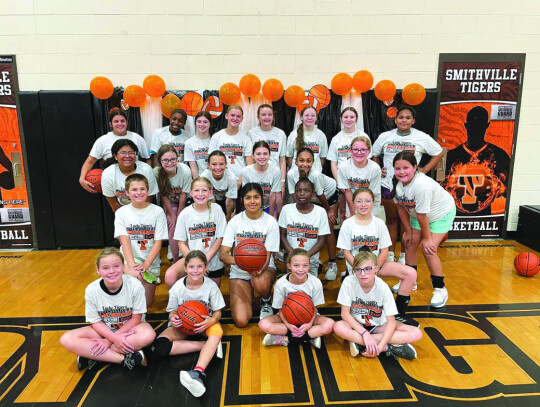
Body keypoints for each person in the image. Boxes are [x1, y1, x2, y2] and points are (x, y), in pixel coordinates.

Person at [59, 247, 156, 370]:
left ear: (123, 267)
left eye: (116, 266)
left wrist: (109, 341)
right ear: (98, 270)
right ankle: (123, 359)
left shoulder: (135, 286)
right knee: (66, 339)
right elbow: (96, 322)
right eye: (105, 268)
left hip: (131, 329)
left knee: (148, 334)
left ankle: (92, 355)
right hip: (104, 330)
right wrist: (113, 337)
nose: (111, 271)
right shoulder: (92, 290)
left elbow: (136, 319)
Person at [336, 187, 419, 326]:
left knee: (411, 273)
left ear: (373, 202)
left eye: (367, 201)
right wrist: (360, 269)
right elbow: (346, 253)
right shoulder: (348, 224)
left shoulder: (379, 223)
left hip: (376, 265)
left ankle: (399, 313)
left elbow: (384, 251)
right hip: (357, 267)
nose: (363, 204)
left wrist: (374, 268)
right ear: (354, 203)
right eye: (359, 201)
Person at [372, 106, 444, 264]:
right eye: (401, 117)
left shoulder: (421, 137)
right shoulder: (385, 136)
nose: (404, 120)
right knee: (391, 219)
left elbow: (439, 151)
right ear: (395, 119)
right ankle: (390, 253)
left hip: (410, 187)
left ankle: (405, 254)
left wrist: (425, 169)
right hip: (388, 185)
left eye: (407, 117)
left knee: (407, 222)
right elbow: (374, 153)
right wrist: (378, 168)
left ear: (413, 121)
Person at [152, 250, 225, 398]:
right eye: (191, 267)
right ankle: (206, 347)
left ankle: (198, 372)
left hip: (204, 325)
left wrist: (211, 320)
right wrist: (173, 318)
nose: (195, 271)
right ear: (185, 268)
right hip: (183, 326)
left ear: (206, 268)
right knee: (159, 347)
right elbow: (172, 311)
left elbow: (218, 312)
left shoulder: (211, 286)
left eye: (199, 266)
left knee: (217, 331)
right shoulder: (177, 287)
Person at [393, 152, 456, 308]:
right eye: (397, 168)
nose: (401, 172)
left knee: (428, 249)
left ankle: (440, 289)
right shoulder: (398, 183)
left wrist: (427, 239)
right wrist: (407, 231)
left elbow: (422, 216)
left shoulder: (421, 186)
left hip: (441, 214)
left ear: (415, 167)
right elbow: (400, 208)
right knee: (409, 242)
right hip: (418, 213)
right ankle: (410, 280)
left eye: (406, 168)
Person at [333, 251, 422, 359]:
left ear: (376, 269)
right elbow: (345, 314)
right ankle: (389, 347)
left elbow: (391, 323)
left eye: (368, 269)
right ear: (354, 270)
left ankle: (359, 342)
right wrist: (364, 334)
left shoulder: (383, 288)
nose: (363, 274)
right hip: (356, 325)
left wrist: (379, 347)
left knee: (416, 333)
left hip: (378, 325)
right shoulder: (348, 282)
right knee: (338, 327)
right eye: (358, 269)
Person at [220, 183, 280, 327]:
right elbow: (223, 255)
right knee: (241, 321)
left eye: (256, 197)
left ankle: (265, 299)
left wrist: (258, 268)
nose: (252, 201)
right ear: (242, 200)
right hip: (239, 272)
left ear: (262, 198)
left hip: (263, 269)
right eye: (248, 198)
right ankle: (250, 293)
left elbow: (268, 255)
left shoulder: (270, 222)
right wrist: (245, 263)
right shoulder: (234, 221)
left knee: (260, 282)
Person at [259, 248, 335, 348]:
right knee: (263, 324)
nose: (301, 269)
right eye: (296, 265)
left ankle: (285, 339)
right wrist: (288, 325)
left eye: (305, 265)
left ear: (309, 266)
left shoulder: (315, 282)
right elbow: (280, 309)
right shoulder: (281, 284)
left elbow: (314, 308)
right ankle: (310, 336)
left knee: (330, 324)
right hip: (286, 318)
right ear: (289, 266)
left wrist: (309, 324)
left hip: (309, 317)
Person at [445, 105, 510, 215]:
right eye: (473, 125)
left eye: (479, 125)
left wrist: (500, 188)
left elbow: (510, 191)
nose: (476, 129)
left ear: (486, 126)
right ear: (466, 125)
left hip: (484, 218)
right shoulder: (451, 155)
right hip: (455, 215)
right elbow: (439, 187)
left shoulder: (499, 155)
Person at [114, 174, 168, 306]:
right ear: (127, 192)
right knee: (132, 289)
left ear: (148, 190)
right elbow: (124, 240)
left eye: (142, 189)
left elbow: (158, 243)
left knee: (146, 303)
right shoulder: (122, 212)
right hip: (129, 260)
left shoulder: (157, 211)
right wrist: (132, 267)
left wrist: (146, 265)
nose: (139, 192)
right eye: (134, 189)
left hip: (149, 262)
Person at [287, 147, 339, 280]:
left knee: (328, 230)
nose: (305, 164)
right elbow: (295, 195)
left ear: (313, 162)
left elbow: (321, 195)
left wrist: (329, 211)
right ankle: (314, 260)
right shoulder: (291, 174)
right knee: (308, 228)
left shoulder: (315, 175)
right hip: (311, 197)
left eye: (309, 161)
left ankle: (332, 263)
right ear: (296, 161)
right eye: (302, 160)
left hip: (328, 197)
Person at [165, 177, 227, 288]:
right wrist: (194, 263)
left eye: (204, 190)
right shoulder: (185, 214)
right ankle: (179, 301)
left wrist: (204, 261)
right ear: (191, 193)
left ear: (210, 192)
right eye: (196, 190)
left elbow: (220, 239)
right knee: (170, 276)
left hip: (212, 261)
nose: (200, 194)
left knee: (210, 299)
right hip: (191, 259)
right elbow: (181, 243)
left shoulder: (217, 209)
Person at [80, 108, 150, 192]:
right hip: (113, 184)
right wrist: (82, 179)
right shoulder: (103, 140)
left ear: (127, 123)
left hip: (135, 182)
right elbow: (90, 161)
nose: (120, 124)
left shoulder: (137, 138)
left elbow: (148, 159)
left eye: (122, 121)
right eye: (116, 121)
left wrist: (148, 177)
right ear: (110, 124)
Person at [278, 178, 330, 276]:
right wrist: (292, 253)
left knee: (309, 287)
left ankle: (316, 266)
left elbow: (323, 240)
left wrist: (306, 256)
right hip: (290, 255)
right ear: (294, 192)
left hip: (311, 257)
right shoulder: (286, 209)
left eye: (306, 190)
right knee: (293, 285)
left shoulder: (320, 212)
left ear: (313, 193)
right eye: (299, 190)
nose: (302, 193)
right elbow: (282, 236)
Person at [328, 107, 370, 224]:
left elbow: (368, 161)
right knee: (343, 214)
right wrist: (341, 183)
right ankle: (344, 240)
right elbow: (333, 163)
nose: (349, 119)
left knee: (361, 212)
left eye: (352, 117)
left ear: (356, 119)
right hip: (342, 183)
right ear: (341, 119)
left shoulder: (363, 136)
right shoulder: (336, 139)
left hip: (360, 182)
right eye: (346, 117)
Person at [154, 145, 192, 262]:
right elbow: (163, 195)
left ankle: (184, 248)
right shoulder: (156, 172)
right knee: (172, 223)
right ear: (160, 161)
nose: (170, 163)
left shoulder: (185, 170)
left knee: (182, 220)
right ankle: (175, 255)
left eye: (173, 159)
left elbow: (183, 194)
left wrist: (179, 215)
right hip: (168, 203)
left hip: (185, 202)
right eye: (165, 160)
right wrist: (171, 215)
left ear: (178, 158)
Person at [101, 139, 158, 212]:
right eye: (123, 153)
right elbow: (114, 203)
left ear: (135, 155)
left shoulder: (146, 169)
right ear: (115, 156)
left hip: (146, 208)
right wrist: (127, 217)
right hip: (122, 210)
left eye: (131, 152)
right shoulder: (108, 173)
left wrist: (140, 214)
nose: (127, 156)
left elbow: (149, 197)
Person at [247, 104, 287, 199]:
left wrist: (282, 181)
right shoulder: (251, 133)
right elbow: (249, 158)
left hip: (274, 176)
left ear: (273, 116)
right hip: (256, 175)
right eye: (263, 115)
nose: (267, 117)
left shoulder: (280, 134)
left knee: (275, 206)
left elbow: (282, 160)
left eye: (270, 114)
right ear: (258, 117)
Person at [338, 136, 381, 218]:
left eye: (363, 150)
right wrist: (353, 214)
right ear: (350, 151)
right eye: (356, 149)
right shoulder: (343, 167)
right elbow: (348, 191)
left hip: (371, 202)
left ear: (368, 152)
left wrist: (365, 213)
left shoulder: (374, 168)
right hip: (353, 202)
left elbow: (372, 194)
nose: (359, 152)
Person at [208, 105, 253, 184]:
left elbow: (249, 166)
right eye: (232, 115)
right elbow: (210, 162)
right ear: (226, 116)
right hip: (219, 181)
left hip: (240, 181)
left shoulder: (246, 139)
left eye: (238, 116)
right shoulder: (216, 137)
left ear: (242, 119)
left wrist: (239, 183)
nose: (235, 118)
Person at [241, 141, 282, 218]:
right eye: (258, 154)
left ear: (269, 155)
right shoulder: (246, 171)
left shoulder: (276, 170)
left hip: (268, 206)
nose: (262, 157)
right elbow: (247, 195)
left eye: (265, 154)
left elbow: (273, 195)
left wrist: (270, 217)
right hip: (252, 204)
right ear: (253, 155)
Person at [286, 105, 328, 173]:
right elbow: (289, 157)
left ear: (316, 118)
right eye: (307, 115)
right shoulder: (293, 135)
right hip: (297, 174)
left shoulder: (321, 135)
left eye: (313, 115)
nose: (310, 118)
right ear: (301, 117)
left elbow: (322, 158)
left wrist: (314, 170)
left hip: (315, 174)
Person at [200, 150, 237, 222]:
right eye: (214, 164)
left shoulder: (231, 177)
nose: (218, 168)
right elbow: (211, 200)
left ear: (226, 164)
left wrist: (228, 218)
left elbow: (229, 201)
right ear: (208, 165)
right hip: (210, 201)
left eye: (221, 164)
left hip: (226, 201)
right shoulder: (204, 177)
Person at [184, 111, 213, 179]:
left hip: (216, 179)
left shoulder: (215, 140)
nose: (202, 124)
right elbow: (194, 168)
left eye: (205, 122)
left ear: (210, 124)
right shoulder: (189, 143)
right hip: (200, 179)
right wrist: (198, 184)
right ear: (195, 123)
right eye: (199, 122)